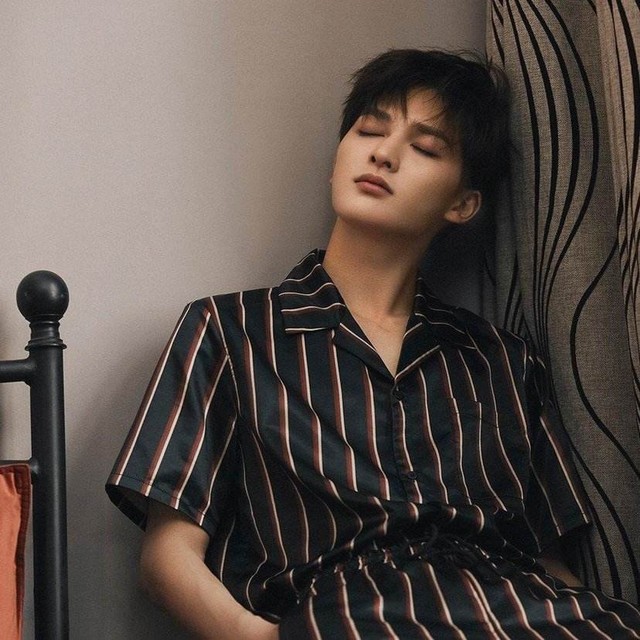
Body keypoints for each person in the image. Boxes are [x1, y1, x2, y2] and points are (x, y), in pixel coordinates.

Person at [106, 49, 640, 639]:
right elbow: (167, 559)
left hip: (513, 610)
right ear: (336, 160)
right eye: (368, 130)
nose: (383, 153)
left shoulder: (503, 361)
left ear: (462, 203)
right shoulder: (230, 330)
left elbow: (547, 563)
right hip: (343, 615)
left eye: (425, 148)